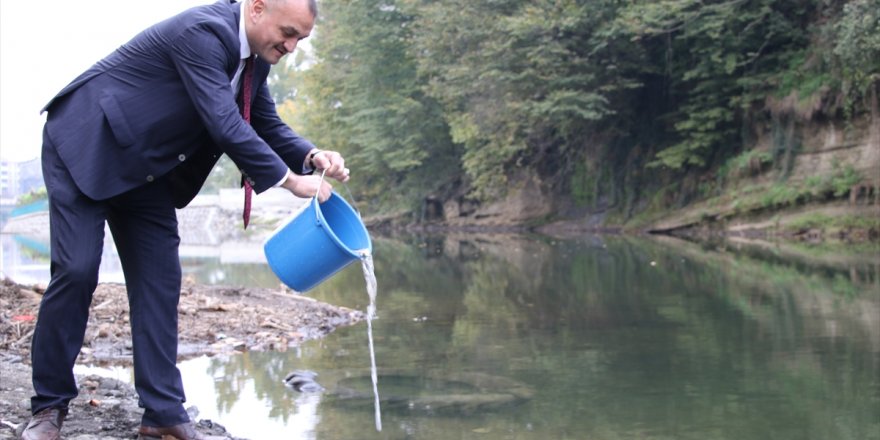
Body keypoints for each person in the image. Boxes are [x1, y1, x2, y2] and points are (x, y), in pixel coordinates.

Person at [21, 0, 348, 439]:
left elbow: (264, 120)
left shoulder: (255, 59)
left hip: (147, 169)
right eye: (287, 33)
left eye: (300, 40)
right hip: (87, 144)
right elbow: (223, 121)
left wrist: (310, 155)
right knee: (77, 270)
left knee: (160, 279)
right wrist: (290, 181)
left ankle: (162, 414)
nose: (291, 46)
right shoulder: (201, 33)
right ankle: (49, 408)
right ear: (256, 8)